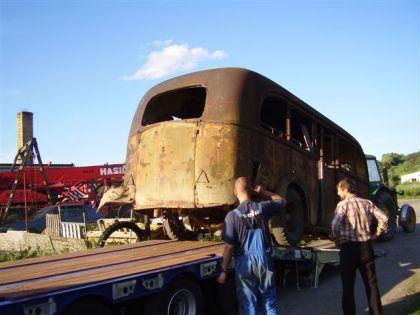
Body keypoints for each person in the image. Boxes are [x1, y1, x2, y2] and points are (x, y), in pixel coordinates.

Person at [216, 177, 286, 315]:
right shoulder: (263, 208)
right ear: (251, 190)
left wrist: (224, 271)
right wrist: (264, 192)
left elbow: (229, 247)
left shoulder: (232, 216)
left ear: (235, 192)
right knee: (269, 303)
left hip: (244, 263)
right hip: (264, 260)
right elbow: (282, 201)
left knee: (249, 306)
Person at [331, 177, 389, 315]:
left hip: (348, 249)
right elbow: (384, 218)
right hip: (366, 247)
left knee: (348, 287)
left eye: (339, 190)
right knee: (371, 284)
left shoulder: (342, 205)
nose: (338, 193)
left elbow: (334, 224)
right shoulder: (367, 203)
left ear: (345, 189)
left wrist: (336, 239)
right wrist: (377, 234)